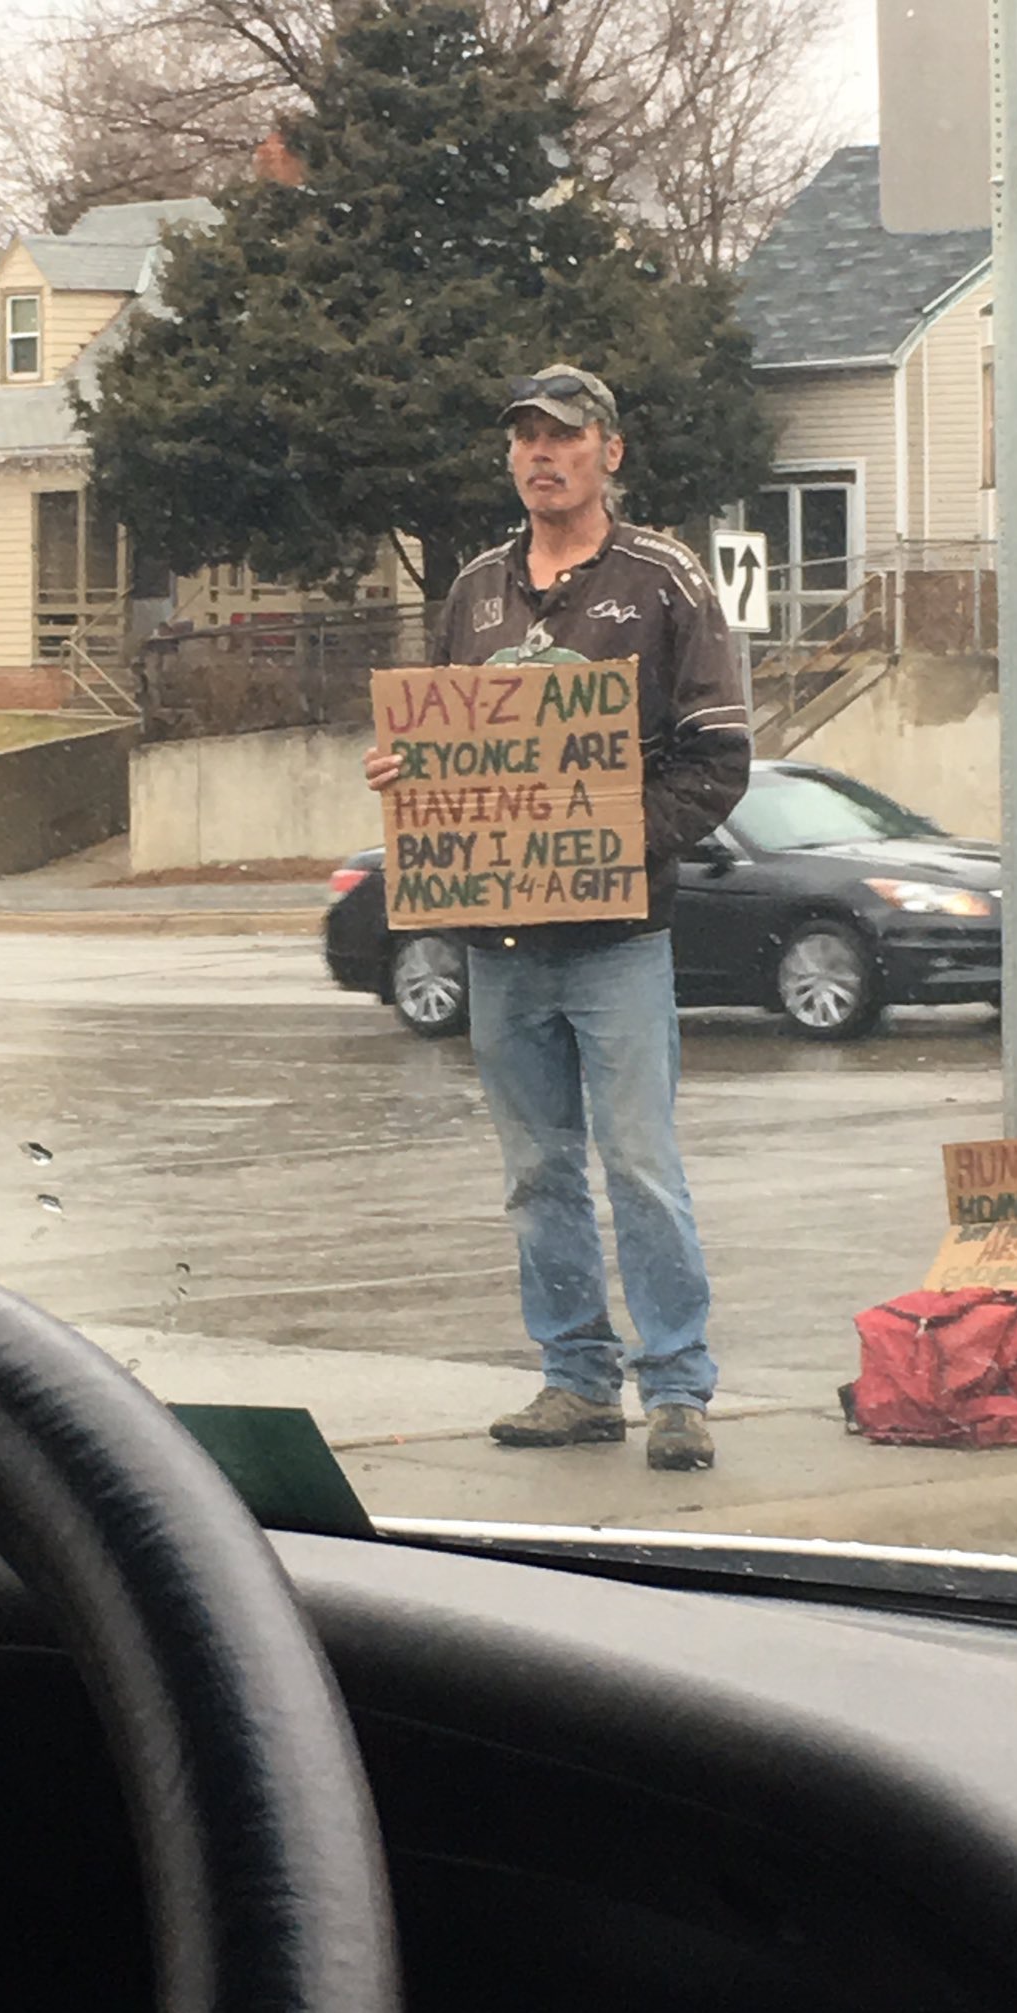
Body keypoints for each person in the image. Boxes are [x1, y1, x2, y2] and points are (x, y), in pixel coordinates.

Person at [365, 364, 750, 1472]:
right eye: (526, 437)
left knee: (640, 1163)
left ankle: (677, 1384)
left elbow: (719, 760)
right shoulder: (476, 590)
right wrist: (408, 773)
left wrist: (599, 845)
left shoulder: (664, 579)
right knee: (537, 1170)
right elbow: (449, 752)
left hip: (619, 936)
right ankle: (575, 1378)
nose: (543, 454)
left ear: (609, 453)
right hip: (499, 946)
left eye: (565, 436)